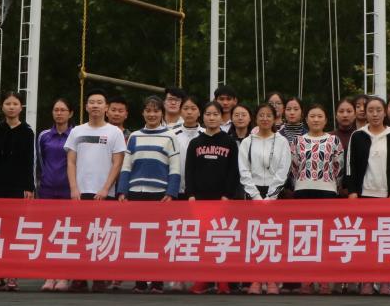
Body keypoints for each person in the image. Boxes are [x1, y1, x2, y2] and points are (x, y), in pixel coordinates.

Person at [117, 95, 182, 294]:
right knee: (137, 237)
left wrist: (171, 192)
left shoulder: (170, 136)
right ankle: (140, 281)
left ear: (162, 113)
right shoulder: (134, 136)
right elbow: (126, 166)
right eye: (148, 110)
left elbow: (175, 167)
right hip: (136, 193)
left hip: (159, 194)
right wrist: (122, 190)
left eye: (156, 111)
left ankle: (157, 281)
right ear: (143, 113)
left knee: (158, 238)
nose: (152, 114)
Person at [65, 90, 126, 293]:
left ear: (106, 107)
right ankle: (79, 277)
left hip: (105, 192)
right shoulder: (77, 131)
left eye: (100, 102)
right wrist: (74, 187)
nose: (95, 106)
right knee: (80, 235)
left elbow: (117, 162)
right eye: (92, 102)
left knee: (103, 234)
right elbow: (71, 161)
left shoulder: (114, 132)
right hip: (81, 191)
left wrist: (106, 187)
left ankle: (100, 276)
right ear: (86, 107)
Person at [344, 96, 390, 295]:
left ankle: (385, 281)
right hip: (364, 195)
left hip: (386, 196)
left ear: (385, 112)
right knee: (366, 240)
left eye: (378, 110)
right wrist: (352, 191)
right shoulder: (358, 136)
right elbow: (350, 166)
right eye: (371, 110)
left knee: (386, 240)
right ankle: (366, 280)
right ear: (364, 113)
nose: (375, 114)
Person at [0, 91, 36, 292]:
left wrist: (29, 187)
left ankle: (13, 274)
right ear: (2, 106)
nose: (11, 107)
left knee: (14, 231)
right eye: (7, 103)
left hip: (18, 187)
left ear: (21, 107)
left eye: (15, 104)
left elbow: (29, 161)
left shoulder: (27, 132)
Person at [185, 101, 239, 295]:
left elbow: (234, 171)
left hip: (222, 198)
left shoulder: (229, 142)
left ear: (221, 117)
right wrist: (191, 194)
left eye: (215, 114)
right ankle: (203, 279)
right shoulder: (195, 143)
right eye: (208, 114)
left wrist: (227, 195)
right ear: (203, 116)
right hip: (200, 198)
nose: (212, 117)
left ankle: (222, 279)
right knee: (202, 239)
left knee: (221, 239)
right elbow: (189, 171)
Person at [239, 103, 292, 295]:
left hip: (274, 194)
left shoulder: (282, 142)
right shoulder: (247, 142)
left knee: (273, 237)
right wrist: (255, 195)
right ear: (255, 118)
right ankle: (255, 279)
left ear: (274, 118)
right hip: (252, 193)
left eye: (269, 115)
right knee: (254, 238)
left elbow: (283, 169)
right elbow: (244, 170)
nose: (265, 119)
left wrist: (270, 196)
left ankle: (271, 278)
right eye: (261, 115)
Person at [292, 105, 345, 295]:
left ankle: (324, 279)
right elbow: (294, 166)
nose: (315, 119)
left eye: (319, 116)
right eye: (312, 116)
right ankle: (305, 279)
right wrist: (302, 180)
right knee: (305, 235)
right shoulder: (298, 141)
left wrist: (332, 184)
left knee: (324, 237)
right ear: (306, 119)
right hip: (302, 190)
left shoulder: (333, 140)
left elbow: (339, 166)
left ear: (326, 120)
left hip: (327, 191)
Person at [37, 97, 75, 292]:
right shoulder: (44, 136)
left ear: (70, 113)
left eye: (63, 110)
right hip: (47, 190)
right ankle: (49, 275)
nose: (59, 113)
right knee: (49, 233)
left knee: (66, 233)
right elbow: (39, 161)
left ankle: (64, 275)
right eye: (56, 110)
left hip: (68, 190)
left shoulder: (76, 134)